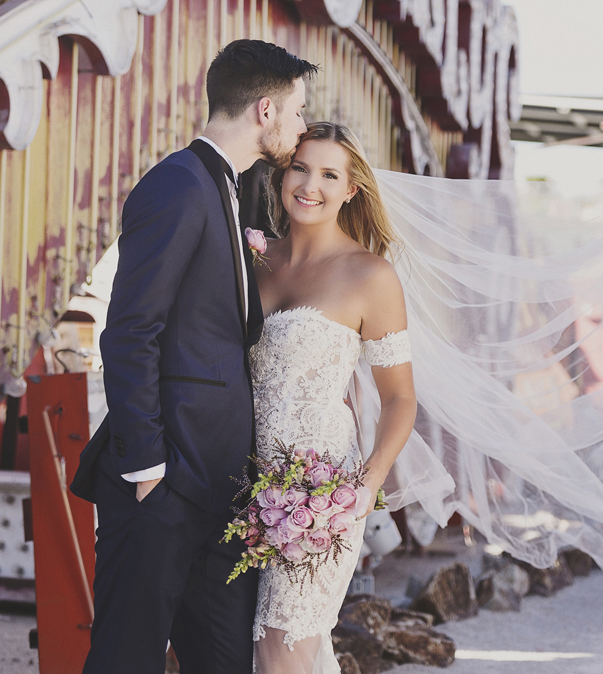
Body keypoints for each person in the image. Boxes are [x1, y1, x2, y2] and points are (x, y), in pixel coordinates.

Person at [71, 40, 317, 674]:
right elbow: (130, 331)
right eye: (296, 111)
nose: (301, 126)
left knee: (222, 661)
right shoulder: (177, 185)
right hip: (163, 480)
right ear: (265, 109)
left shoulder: (229, 191)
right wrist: (147, 463)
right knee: (128, 656)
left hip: (219, 487)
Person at [250, 122, 417, 674]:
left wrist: (363, 488)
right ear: (282, 173)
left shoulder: (370, 276)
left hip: (315, 494)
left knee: (283, 650)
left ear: (351, 190)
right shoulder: (252, 260)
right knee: (241, 650)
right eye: (300, 168)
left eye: (329, 174)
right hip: (236, 481)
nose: (309, 185)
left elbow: (399, 400)